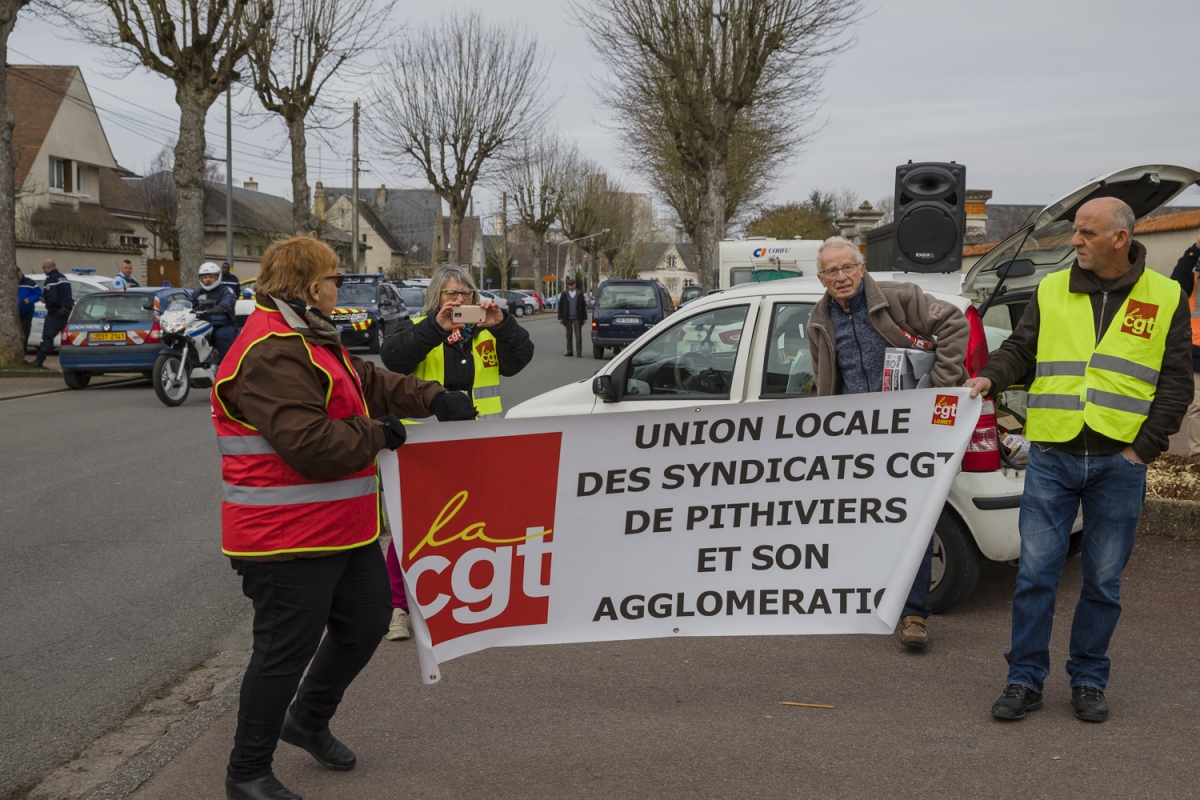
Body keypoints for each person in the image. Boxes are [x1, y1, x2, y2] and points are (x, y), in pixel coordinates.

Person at [213, 236, 477, 800]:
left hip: (340, 529)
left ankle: (306, 720)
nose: (340, 287)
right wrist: (382, 433)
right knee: (284, 651)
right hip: (284, 540)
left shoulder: (307, 335)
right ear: (312, 288)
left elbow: (368, 382)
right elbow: (309, 443)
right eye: (335, 279)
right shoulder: (269, 350)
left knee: (365, 622)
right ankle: (247, 772)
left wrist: (432, 398)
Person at [965, 198, 1192, 723]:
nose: (1074, 241)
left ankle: (1089, 679)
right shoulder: (1051, 288)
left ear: (1119, 238)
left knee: (1103, 582)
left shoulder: (1166, 295)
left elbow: (1176, 383)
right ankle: (1024, 679)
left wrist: (1142, 451)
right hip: (1052, 457)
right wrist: (990, 377)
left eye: (1085, 233)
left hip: (1120, 463)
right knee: (1035, 577)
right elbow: (1021, 350)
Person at [806, 235, 969, 651]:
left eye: (847, 268)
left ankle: (914, 614)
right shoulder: (818, 321)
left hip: (909, 434)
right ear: (820, 278)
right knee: (862, 522)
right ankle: (869, 602)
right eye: (831, 271)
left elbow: (954, 324)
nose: (841, 277)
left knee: (912, 522)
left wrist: (938, 391)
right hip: (854, 440)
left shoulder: (900, 297)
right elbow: (823, 378)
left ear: (861, 268)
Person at [378, 264, 533, 640]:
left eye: (466, 295)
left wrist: (502, 323)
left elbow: (521, 357)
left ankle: (463, 602)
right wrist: (437, 326)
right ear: (436, 297)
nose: (459, 301)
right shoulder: (417, 325)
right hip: (424, 445)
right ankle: (398, 607)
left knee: (478, 525)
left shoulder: (486, 330)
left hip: (479, 440)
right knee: (411, 528)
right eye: (451, 294)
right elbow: (393, 359)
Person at [1168, 227, 1200, 463]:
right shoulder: (1191, 279)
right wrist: (1196, 247)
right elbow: (1176, 278)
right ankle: (1199, 454)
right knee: (1197, 405)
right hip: (1197, 350)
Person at [27, 260, 72, 368]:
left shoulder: (51, 280)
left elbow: (52, 298)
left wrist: (45, 300)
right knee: (68, 338)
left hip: (57, 312)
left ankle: (39, 361)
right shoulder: (63, 278)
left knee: (47, 337)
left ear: (47, 267)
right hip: (67, 311)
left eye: (43, 269)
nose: (43, 271)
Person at [195, 262, 238, 362]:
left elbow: (229, 300)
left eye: (211, 277)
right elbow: (187, 302)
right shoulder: (198, 293)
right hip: (203, 326)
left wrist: (222, 306)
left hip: (225, 326)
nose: (208, 279)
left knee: (220, 336)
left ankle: (227, 365)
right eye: (205, 277)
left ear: (217, 277)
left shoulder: (226, 290)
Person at [558, 277, 587, 357]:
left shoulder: (579, 294)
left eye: (572, 285)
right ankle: (569, 351)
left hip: (577, 317)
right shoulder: (564, 294)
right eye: (569, 285)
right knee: (568, 335)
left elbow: (583, 306)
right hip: (567, 317)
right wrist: (559, 317)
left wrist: (584, 317)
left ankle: (578, 352)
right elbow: (560, 306)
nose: (570, 287)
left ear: (575, 285)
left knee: (578, 335)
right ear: (567, 286)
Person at [17, 269, 41, 354]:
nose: (17, 280)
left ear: (21, 274)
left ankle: (22, 354)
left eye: (18, 277)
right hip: (13, 314)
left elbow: (39, 295)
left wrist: (29, 300)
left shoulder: (30, 283)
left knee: (24, 334)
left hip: (26, 312)